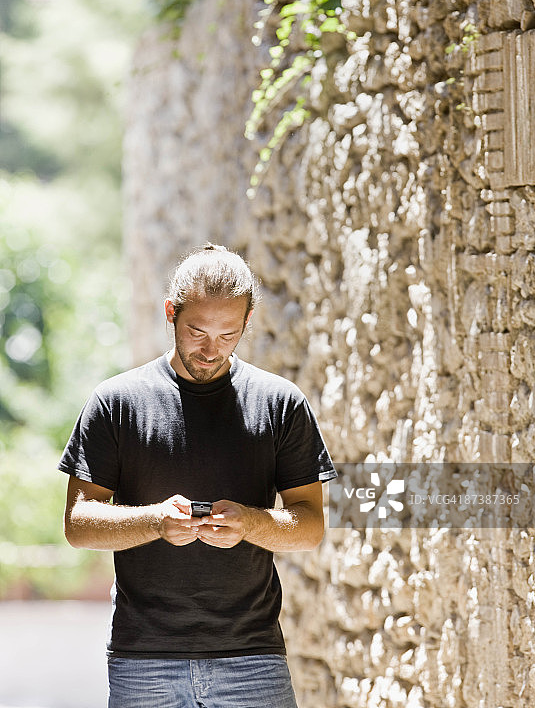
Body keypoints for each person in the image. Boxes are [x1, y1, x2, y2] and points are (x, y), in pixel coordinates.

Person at [59, 243, 336, 708]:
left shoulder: (281, 403)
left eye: (229, 334)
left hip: (253, 658)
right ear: (171, 313)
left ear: (247, 322)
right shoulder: (115, 402)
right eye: (197, 331)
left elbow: (310, 526)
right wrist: (155, 522)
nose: (211, 350)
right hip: (143, 662)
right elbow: (77, 524)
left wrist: (250, 523)